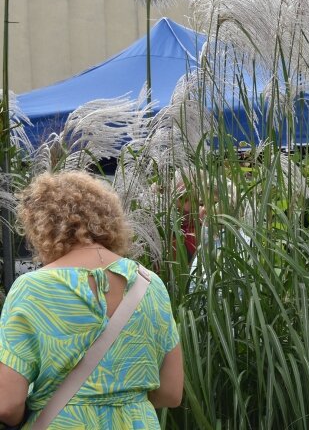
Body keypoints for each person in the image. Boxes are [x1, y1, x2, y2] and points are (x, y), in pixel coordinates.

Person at [0, 171, 183, 428]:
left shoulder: (32, 289)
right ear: (110, 221)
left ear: (41, 227)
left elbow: (7, 404)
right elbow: (172, 392)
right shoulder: (150, 284)